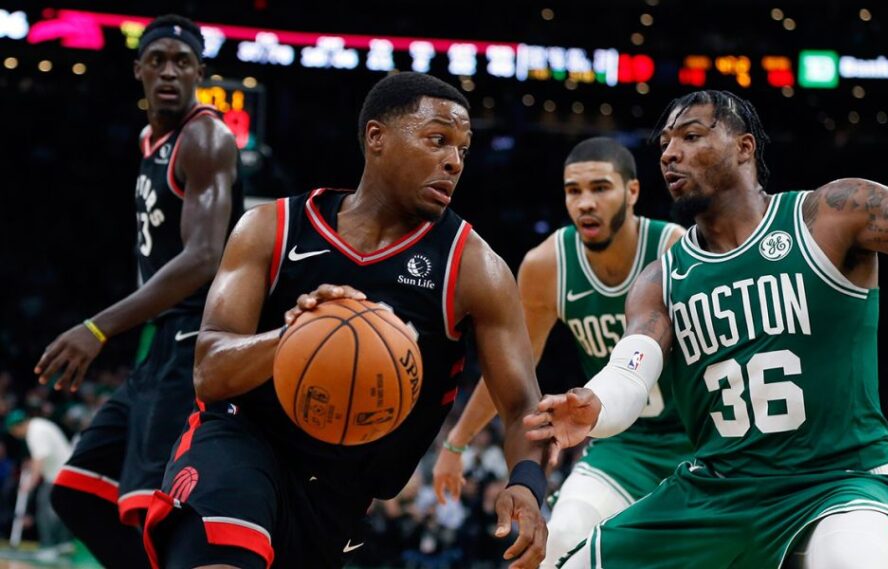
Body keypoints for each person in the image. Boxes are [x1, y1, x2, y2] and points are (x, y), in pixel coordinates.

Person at [526, 42, 888, 569]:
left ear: (744, 147)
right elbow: (631, 372)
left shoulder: (829, 216)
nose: (669, 154)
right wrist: (595, 403)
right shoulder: (662, 278)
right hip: (717, 490)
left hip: (837, 484)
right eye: (665, 143)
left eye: (691, 136)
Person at [141, 71, 550, 569]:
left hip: (341, 493)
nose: (453, 161)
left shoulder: (474, 268)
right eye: (437, 140)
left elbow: (522, 405)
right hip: (239, 441)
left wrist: (527, 484)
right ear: (376, 137)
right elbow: (209, 371)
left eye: (463, 150)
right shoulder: (271, 228)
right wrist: (297, 338)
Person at [35, 14, 242, 568]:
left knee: (156, 512)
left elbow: (203, 257)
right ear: (138, 70)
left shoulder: (205, 137)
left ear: (200, 72)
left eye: (182, 62)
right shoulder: (151, 140)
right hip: (160, 345)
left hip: (194, 339)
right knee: (76, 493)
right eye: (157, 61)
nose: (169, 72)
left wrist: (97, 327)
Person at [432, 137, 688, 567]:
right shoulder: (548, 265)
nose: (585, 202)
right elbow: (513, 368)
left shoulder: (674, 249)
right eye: (574, 190)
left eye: (600, 188)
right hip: (621, 448)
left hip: (697, 443)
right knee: (562, 541)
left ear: (632, 192)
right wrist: (455, 444)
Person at [6, 410, 73, 557]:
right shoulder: (40, 425)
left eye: (13, 432)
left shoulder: (35, 432)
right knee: (61, 510)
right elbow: (46, 453)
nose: (15, 435)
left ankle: (49, 548)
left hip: (57, 477)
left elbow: (39, 460)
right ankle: (64, 545)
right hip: (66, 474)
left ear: (17, 427)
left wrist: (30, 484)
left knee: (44, 510)